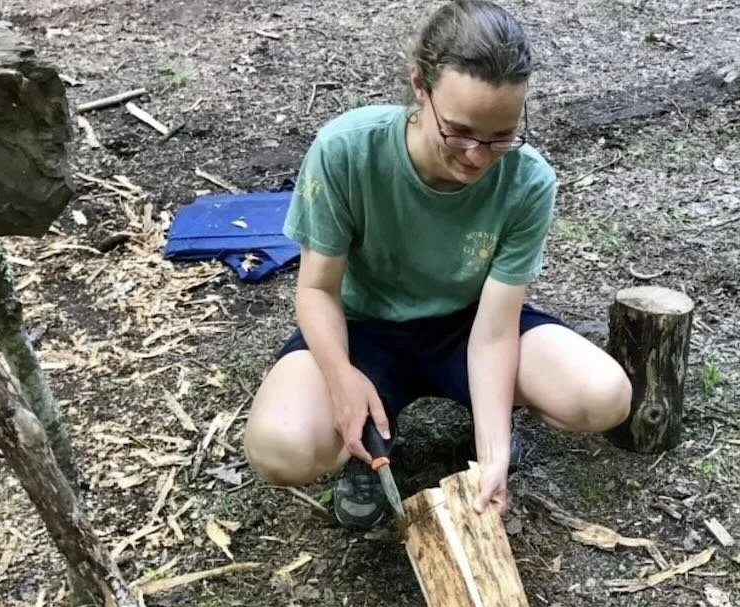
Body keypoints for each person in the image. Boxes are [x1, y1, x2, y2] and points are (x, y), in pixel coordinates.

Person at [243, 0, 632, 529]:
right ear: (420, 89)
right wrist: (341, 382)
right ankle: (368, 437)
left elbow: (496, 331)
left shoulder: (526, 179)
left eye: (500, 136)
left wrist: (492, 451)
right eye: (460, 131)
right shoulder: (347, 150)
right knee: (279, 447)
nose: (477, 155)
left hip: (465, 326)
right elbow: (316, 291)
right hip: (364, 330)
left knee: (602, 396)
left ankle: (485, 426)